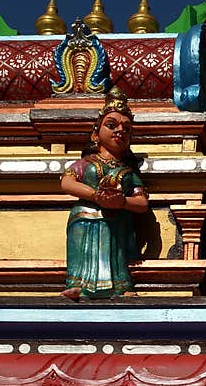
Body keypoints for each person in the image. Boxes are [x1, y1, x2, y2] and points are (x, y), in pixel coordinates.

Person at [60, 87, 149, 301]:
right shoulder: (87, 163)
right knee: (82, 253)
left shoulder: (128, 172)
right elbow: (66, 182)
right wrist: (95, 196)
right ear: (95, 133)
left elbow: (142, 203)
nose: (120, 131)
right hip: (85, 217)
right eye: (111, 125)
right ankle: (77, 284)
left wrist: (122, 202)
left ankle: (121, 285)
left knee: (115, 254)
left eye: (126, 129)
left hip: (117, 219)